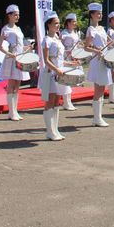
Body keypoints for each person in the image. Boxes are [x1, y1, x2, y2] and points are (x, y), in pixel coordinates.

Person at [39, 12, 72, 140]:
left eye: (58, 23)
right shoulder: (46, 40)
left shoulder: (57, 39)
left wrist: (71, 63)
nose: (58, 25)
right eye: (55, 23)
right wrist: (57, 69)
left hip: (59, 72)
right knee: (50, 101)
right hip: (50, 74)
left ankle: (55, 129)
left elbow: (60, 59)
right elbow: (46, 60)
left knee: (57, 101)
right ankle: (49, 131)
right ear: (49, 25)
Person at [0, 4, 30, 121]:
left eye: (18, 15)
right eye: (15, 15)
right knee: (11, 84)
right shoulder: (5, 29)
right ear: (9, 15)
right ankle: (11, 111)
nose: (17, 17)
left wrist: (28, 48)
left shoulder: (19, 29)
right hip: (12, 59)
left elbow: (20, 46)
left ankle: (15, 110)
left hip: (20, 58)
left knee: (17, 85)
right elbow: (0, 46)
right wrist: (9, 54)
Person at [83, 2, 111, 127]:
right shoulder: (91, 29)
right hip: (97, 60)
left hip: (104, 59)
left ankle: (98, 116)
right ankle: (96, 117)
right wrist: (97, 51)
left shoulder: (102, 28)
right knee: (98, 89)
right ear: (92, 15)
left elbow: (106, 43)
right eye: (98, 13)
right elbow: (86, 47)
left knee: (103, 88)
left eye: (101, 13)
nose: (100, 15)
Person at [59, 13, 81, 111]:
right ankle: (66, 102)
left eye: (75, 22)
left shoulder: (76, 33)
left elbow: (78, 45)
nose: (75, 23)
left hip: (74, 57)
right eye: (73, 22)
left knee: (71, 79)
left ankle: (69, 101)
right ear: (68, 23)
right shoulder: (63, 33)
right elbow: (60, 46)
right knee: (66, 79)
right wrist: (66, 51)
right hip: (67, 57)